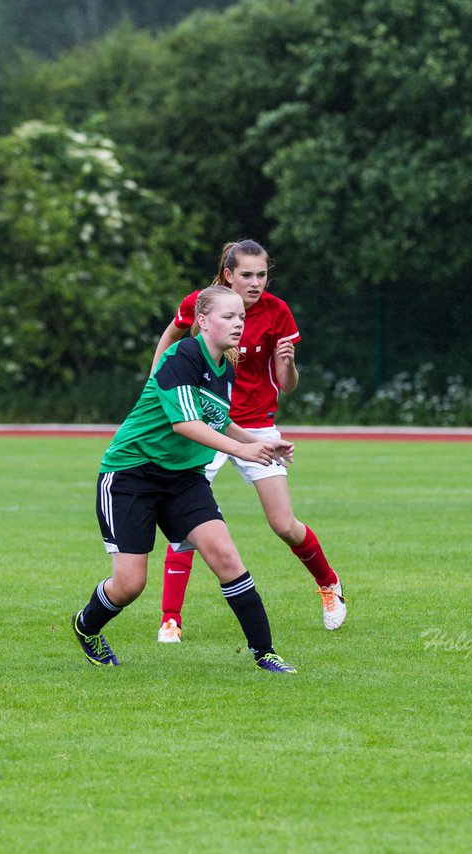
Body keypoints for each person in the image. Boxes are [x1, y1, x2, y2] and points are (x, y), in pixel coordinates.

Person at [72, 285, 298, 673]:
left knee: (226, 556)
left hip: (183, 479)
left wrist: (262, 442)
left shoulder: (225, 366)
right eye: (228, 316)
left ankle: (265, 652)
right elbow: (184, 423)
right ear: (203, 321)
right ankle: (86, 626)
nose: (238, 323)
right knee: (129, 585)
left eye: (241, 317)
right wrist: (240, 451)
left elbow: (218, 420)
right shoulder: (182, 356)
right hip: (131, 475)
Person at [151, 240, 345, 643]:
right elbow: (171, 335)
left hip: (256, 427)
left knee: (284, 525)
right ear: (228, 276)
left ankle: (329, 584)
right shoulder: (201, 304)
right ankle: (171, 618)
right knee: (187, 522)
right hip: (206, 425)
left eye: (261, 275)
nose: (256, 283)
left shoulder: (277, 312)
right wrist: (156, 384)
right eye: (247, 275)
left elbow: (287, 386)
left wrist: (288, 365)